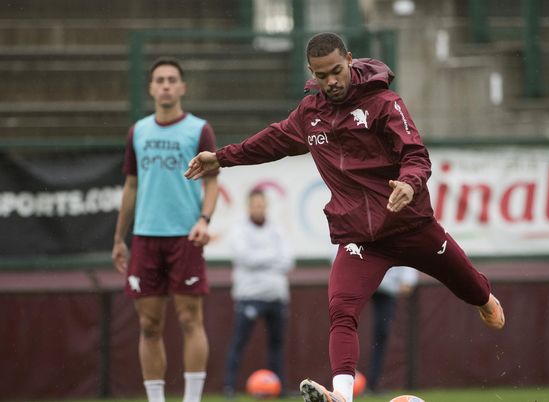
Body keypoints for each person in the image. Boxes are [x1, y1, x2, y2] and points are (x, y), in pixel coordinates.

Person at [184, 32, 505, 402]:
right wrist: (221, 157)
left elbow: (417, 155)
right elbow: (273, 140)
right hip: (360, 240)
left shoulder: (384, 103)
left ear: (350, 60)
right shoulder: (310, 114)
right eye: (322, 75)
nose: (331, 81)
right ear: (312, 73)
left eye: (337, 70)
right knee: (340, 309)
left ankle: (485, 299)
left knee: (477, 293)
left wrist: (408, 183)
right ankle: (342, 395)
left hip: (411, 226)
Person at [112, 56, 219, 402]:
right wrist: (119, 237)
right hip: (145, 238)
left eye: (173, 79)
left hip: (184, 237)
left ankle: (191, 399)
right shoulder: (138, 131)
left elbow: (213, 182)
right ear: (151, 88)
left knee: (190, 320)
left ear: (183, 87)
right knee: (149, 325)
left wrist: (204, 220)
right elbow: (131, 185)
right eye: (160, 80)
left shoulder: (199, 129)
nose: (166, 85)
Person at [223, 188, 295, 398]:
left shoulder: (277, 230)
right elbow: (245, 257)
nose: (259, 208)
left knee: (277, 345)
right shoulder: (239, 230)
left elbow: (288, 259)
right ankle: (229, 388)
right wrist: (272, 258)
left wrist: (262, 258)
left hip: (277, 295)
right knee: (239, 342)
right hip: (249, 295)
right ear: (248, 206)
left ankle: (279, 388)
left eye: (262, 204)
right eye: (255, 204)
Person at [366, 266, 418, 394]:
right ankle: (343, 381)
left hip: (387, 289)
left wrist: (408, 279)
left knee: (382, 334)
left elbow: (408, 251)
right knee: (345, 327)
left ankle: (372, 384)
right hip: (358, 282)